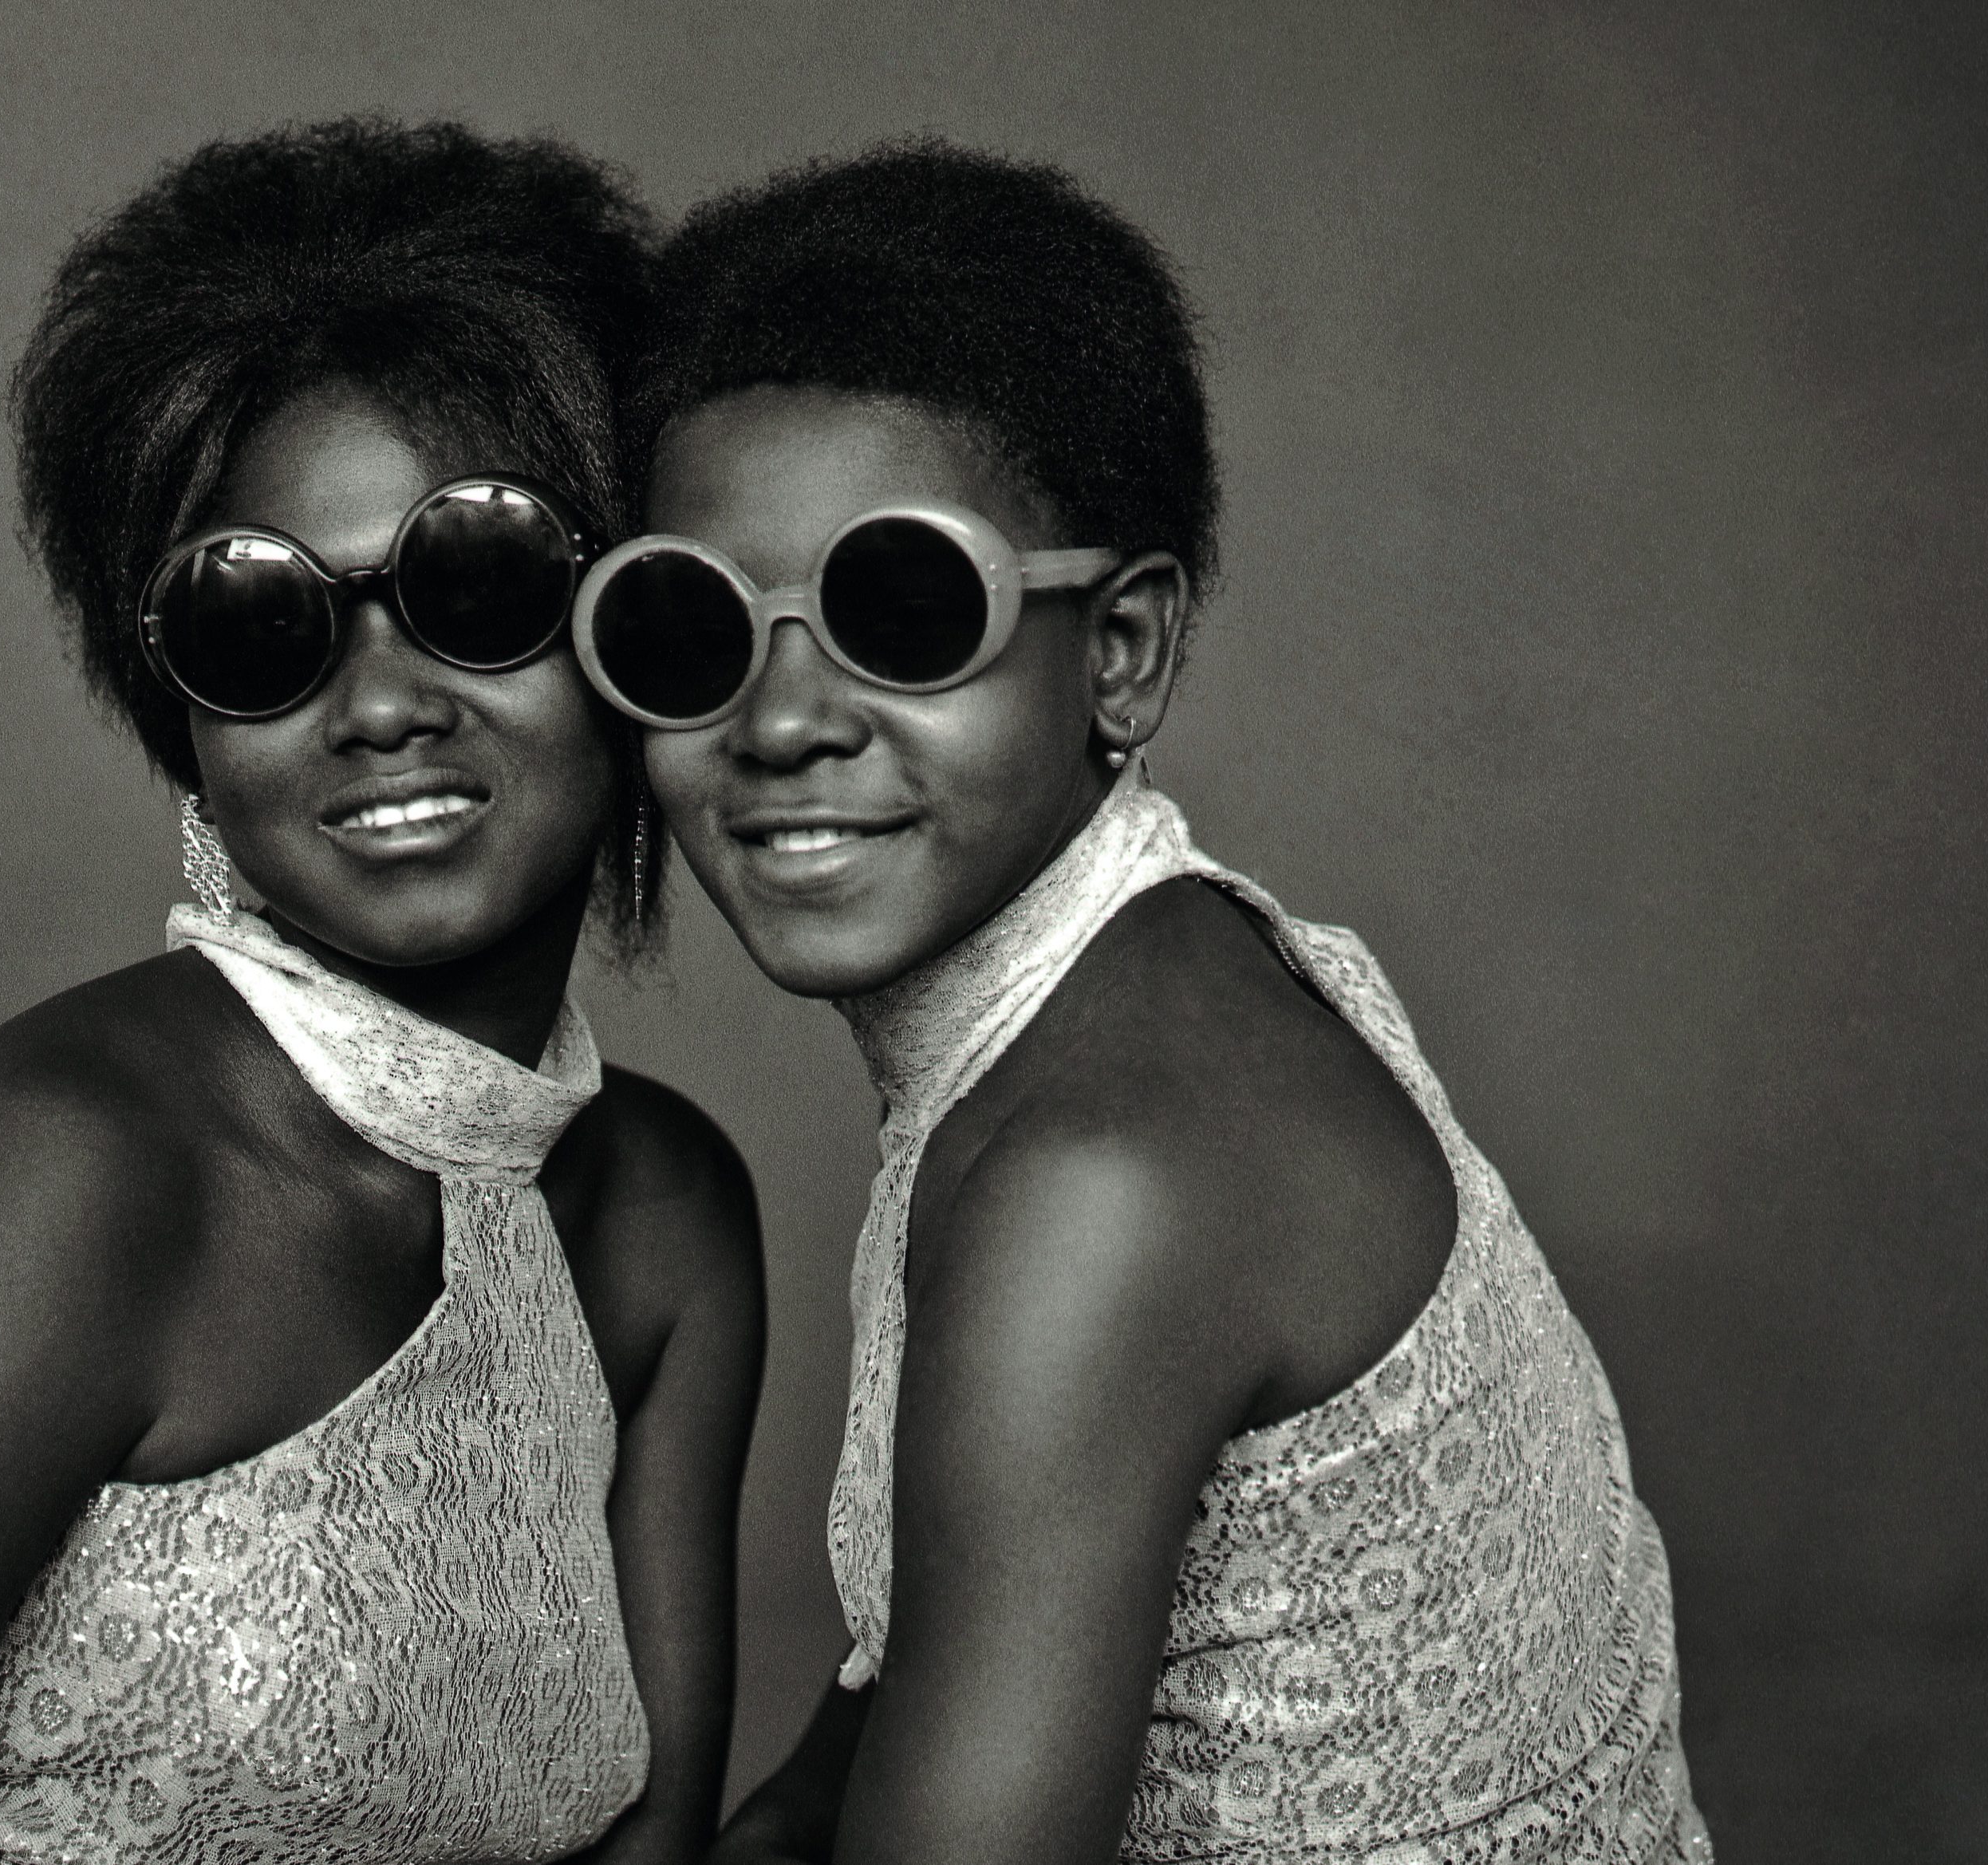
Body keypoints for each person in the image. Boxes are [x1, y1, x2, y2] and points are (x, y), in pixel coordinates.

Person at [0, 120, 765, 1864]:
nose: (376, 703)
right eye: (257, 620)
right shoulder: (50, 1185)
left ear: (627, 622)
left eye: (476, 580)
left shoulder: (661, 1218)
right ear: (189, 725)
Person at [570, 140, 1710, 1863]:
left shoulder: (1103, 1165)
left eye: (901, 610)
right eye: (689, 629)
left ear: (1119, 649)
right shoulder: (1145, 974)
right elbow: (894, 1689)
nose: (781, 717)